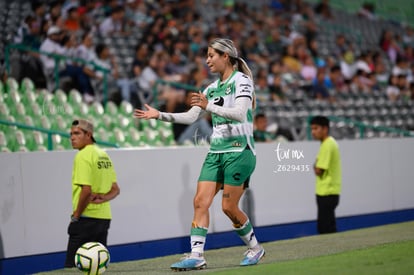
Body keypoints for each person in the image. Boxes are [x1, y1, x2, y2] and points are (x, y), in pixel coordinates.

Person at [134, 38, 265, 270]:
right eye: (207, 55)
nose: (207, 60)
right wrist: (160, 115)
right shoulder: (211, 88)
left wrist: (208, 107)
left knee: (228, 208)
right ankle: (197, 255)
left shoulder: (242, 81)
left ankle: (255, 248)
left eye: (211, 55)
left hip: (239, 151)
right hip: (216, 152)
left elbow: (241, 113)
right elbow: (191, 116)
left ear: (226, 56)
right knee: (200, 202)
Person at [65, 119, 120, 268]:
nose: (72, 137)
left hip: (85, 219)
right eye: (71, 134)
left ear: (88, 135)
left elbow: (86, 190)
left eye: (76, 133)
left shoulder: (83, 156)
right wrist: (103, 198)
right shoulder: (103, 155)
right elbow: (115, 189)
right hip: (103, 218)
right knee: (97, 267)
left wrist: (76, 216)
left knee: (73, 267)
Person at [310, 116, 341, 234]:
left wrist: (315, 165)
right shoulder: (329, 143)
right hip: (331, 191)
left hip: (326, 191)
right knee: (329, 227)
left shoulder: (327, 145)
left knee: (325, 229)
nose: (313, 132)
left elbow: (318, 169)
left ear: (325, 129)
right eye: (312, 129)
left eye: (316, 128)